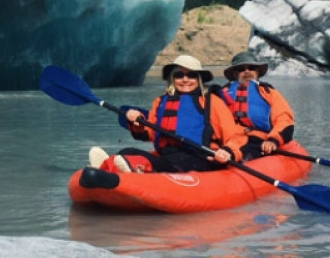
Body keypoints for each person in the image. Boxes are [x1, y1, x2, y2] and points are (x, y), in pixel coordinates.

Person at [91, 54, 247, 174]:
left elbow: (235, 136)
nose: (185, 80)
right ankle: (109, 166)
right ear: (172, 78)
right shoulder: (160, 101)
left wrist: (227, 152)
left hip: (199, 158)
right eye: (179, 75)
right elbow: (150, 133)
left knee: (176, 161)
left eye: (191, 75)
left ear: (198, 79)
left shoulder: (211, 102)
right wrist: (137, 122)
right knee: (127, 151)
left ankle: (130, 168)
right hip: (168, 156)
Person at [211, 50, 295, 160]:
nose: (247, 71)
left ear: (257, 72)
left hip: (258, 139)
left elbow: (283, 119)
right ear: (235, 74)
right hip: (228, 139)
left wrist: (273, 140)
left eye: (251, 67)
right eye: (241, 69)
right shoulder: (221, 94)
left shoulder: (268, 93)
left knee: (243, 152)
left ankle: (230, 159)